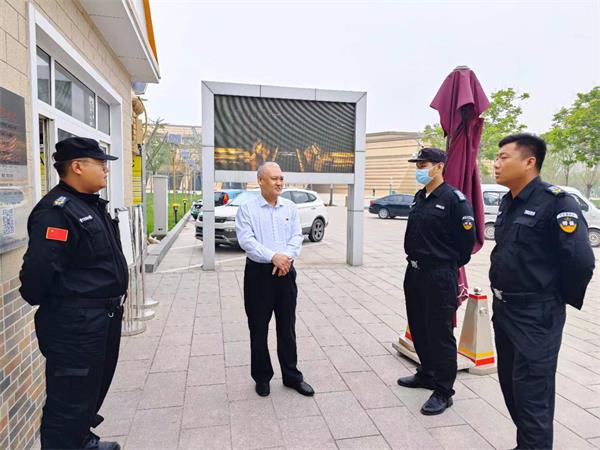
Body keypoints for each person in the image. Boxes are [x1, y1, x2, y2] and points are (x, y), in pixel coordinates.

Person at [20, 137, 128, 450]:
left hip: (101, 318)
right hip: (77, 324)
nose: (106, 169)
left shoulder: (90, 205)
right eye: (100, 163)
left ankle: (81, 439)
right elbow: (38, 272)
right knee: (69, 400)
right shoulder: (58, 211)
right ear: (77, 167)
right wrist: (66, 305)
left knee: (90, 391)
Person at [490, 133, 595, 449]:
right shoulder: (509, 202)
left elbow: (580, 261)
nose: (495, 164)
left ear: (529, 161)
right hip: (504, 310)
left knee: (532, 396)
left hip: (536, 316)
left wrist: (552, 298)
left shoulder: (557, 202)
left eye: (503, 157)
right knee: (511, 388)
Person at [397, 147, 476, 415]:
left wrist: (443, 265)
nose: (419, 169)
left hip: (439, 275)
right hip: (414, 272)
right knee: (419, 326)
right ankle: (427, 373)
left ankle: (444, 391)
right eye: (417, 165)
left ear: (439, 166)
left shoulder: (455, 200)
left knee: (440, 333)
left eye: (423, 165)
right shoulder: (420, 197)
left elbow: (466, 245)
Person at [235, 162, 314, 397]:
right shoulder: (247, 209)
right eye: (274, 178)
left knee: (287, 327)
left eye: (281, 178)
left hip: (285, 272)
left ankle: (291, 376)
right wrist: (273, 257)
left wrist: (285, 259)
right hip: (259, 275)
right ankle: (262, 377)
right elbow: (246, 241)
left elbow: (297, 237)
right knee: (258, 328)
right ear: (260, 181)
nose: (279, 183)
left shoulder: (289, 207)